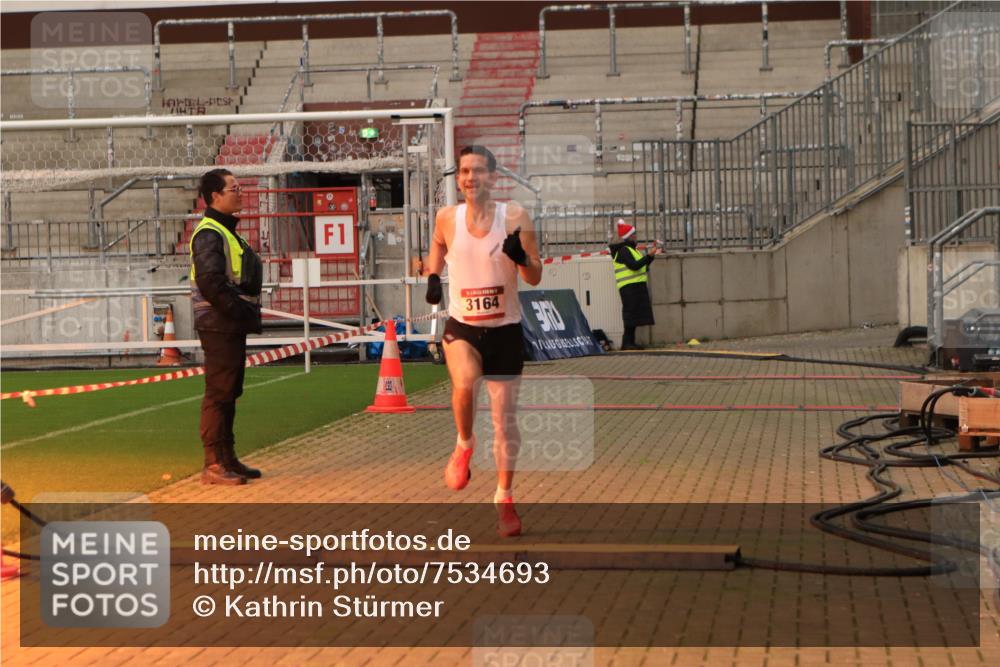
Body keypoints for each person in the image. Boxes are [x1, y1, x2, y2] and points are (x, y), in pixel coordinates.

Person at [417, 145, 543, 537]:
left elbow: (535, 276)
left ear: (493, 176)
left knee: (505, 422)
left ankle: (504, 498)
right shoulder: (446, 218)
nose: (471, 178)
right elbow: (437, 245)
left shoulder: (516, 216)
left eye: (478, 171)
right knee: (465, 382)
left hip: (505, 329)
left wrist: (521, 258)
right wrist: (433, 276)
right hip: (463, 327)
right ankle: (465, 442)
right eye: (464, 172)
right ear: (459, 179)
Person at [190, 168, 264, 485]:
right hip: (219, 322)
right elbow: (210, 281)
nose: (240, 192)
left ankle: (227, 458)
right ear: (215, 196)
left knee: (229, 392)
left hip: (227, 322)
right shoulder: (210, 233)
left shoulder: (225, 230)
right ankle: (214, 464)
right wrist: (237, 310)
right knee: (219, 393)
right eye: (234, 188)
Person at [609, 219, 659, 350]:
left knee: (634, 315)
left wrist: (650, 257)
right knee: (631, 315)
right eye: (634, 235)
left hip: (635, 286)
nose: (636, 237)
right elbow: (634, 266)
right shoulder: (624, 250)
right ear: (629, 237)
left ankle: (630, 342)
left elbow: (642, 266)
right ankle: (627, 343)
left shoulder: (632, 250)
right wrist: (648, 256)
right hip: (629, 287)